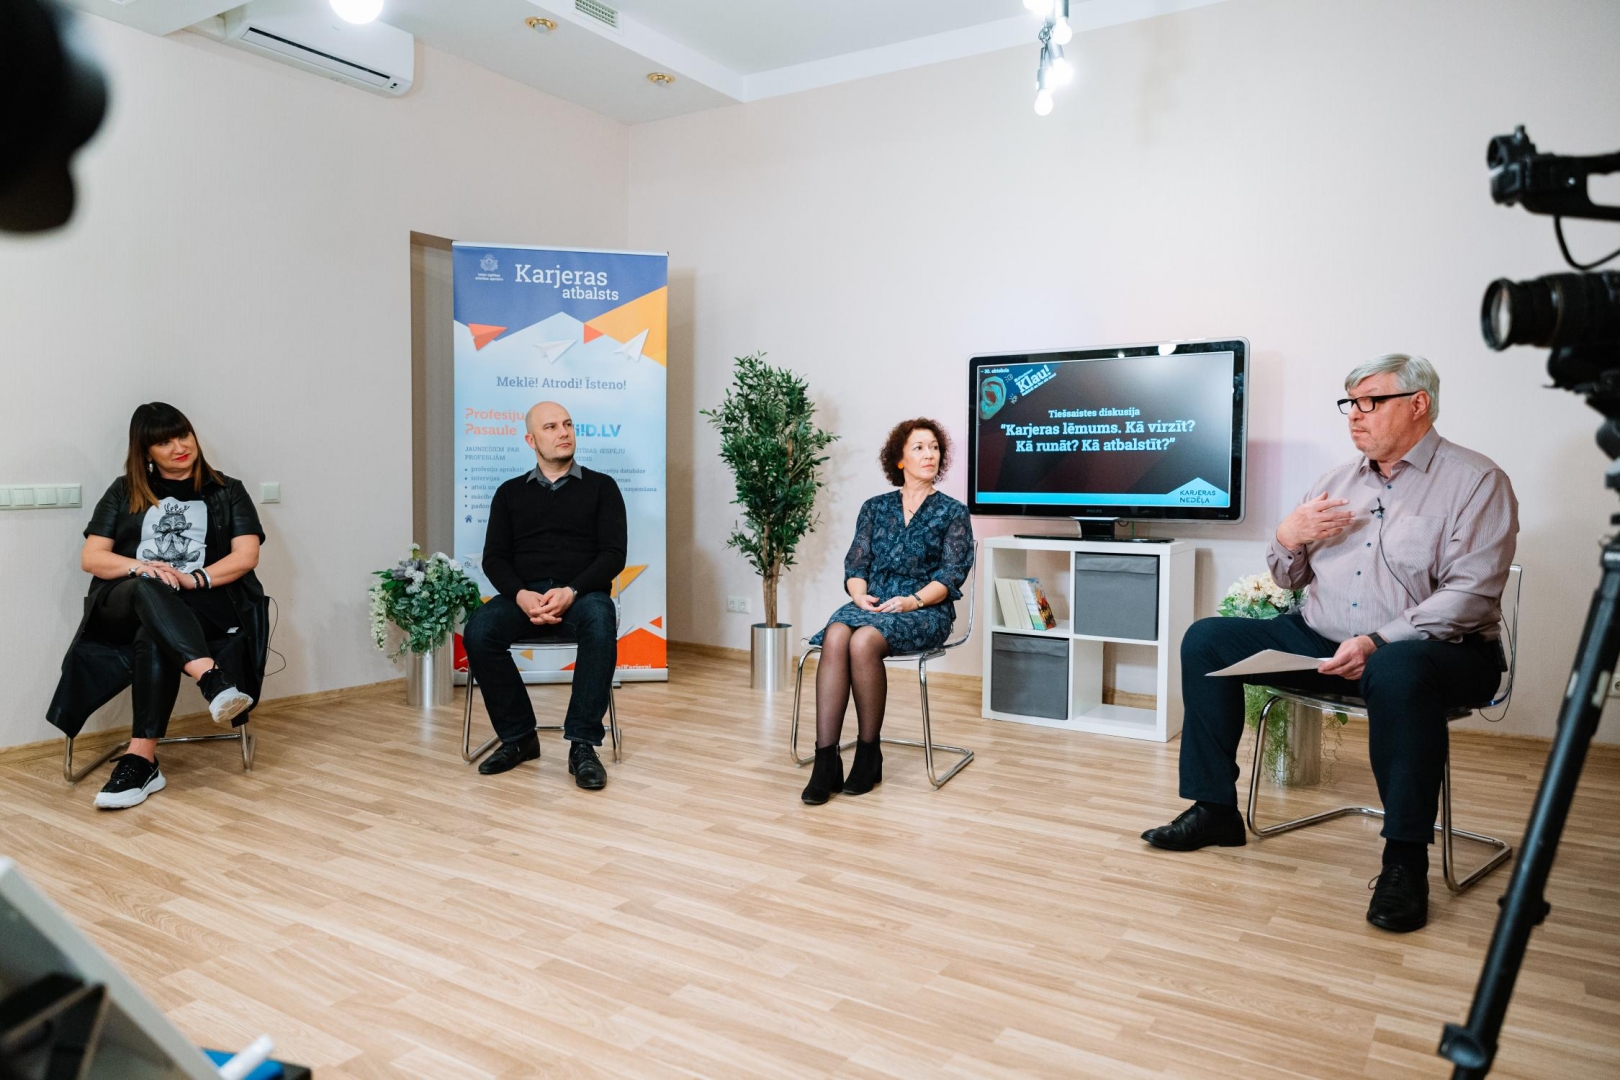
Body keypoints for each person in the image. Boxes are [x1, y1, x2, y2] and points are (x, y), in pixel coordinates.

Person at [1141, 354, 1518, 933]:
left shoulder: (1476, 481)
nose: (1355, 416)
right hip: (1322, 639)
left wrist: (1377, 641)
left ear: (1418, 404)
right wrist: (1287, 537)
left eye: (1371, 401)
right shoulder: (1336, 482)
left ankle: (1404, 861)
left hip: (1442, 652)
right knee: (1207, 639)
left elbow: (1470, 595)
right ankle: (1214, 808)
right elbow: (1289, 579)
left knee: (1397, 670)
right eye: (1350, 403)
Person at [47, 402, 267, 810]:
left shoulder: (228, 490)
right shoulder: (123, 490)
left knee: (154, 631)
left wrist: (192, 578)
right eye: (164, 442)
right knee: (147, 588)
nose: (179, 447)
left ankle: (141, 760)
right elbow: (92, 557)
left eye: (183, 435)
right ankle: (212, 679)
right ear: (146, 451)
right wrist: (143, 568)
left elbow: (246, 555)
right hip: (125, 601)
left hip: (200, 605)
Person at [801, 418, 975, 805]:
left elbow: (950, 576)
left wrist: (914, 600)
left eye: (934, 448)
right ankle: (825, 760)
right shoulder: (875, 508)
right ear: (900, 459)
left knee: (863, 641)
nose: (930, 454)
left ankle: (868, 754)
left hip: (925, 609)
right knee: (836, 635)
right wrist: (859, 595)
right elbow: (856, 566)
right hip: (874, 601)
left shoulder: (953, 512)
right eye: (919, 448)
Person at [462, 401, 626, 787]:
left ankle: (583, 746)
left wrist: (572, 590)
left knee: (600, 619)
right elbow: (494, 558)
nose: (563, 432)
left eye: (567, 424)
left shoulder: (602, 487)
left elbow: (613, 554)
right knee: (480, 631)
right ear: (531, 440)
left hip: (582, 596)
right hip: (524, 598)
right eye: (551, 427)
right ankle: (519, 737)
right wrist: (520, 595)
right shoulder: (509, 493)